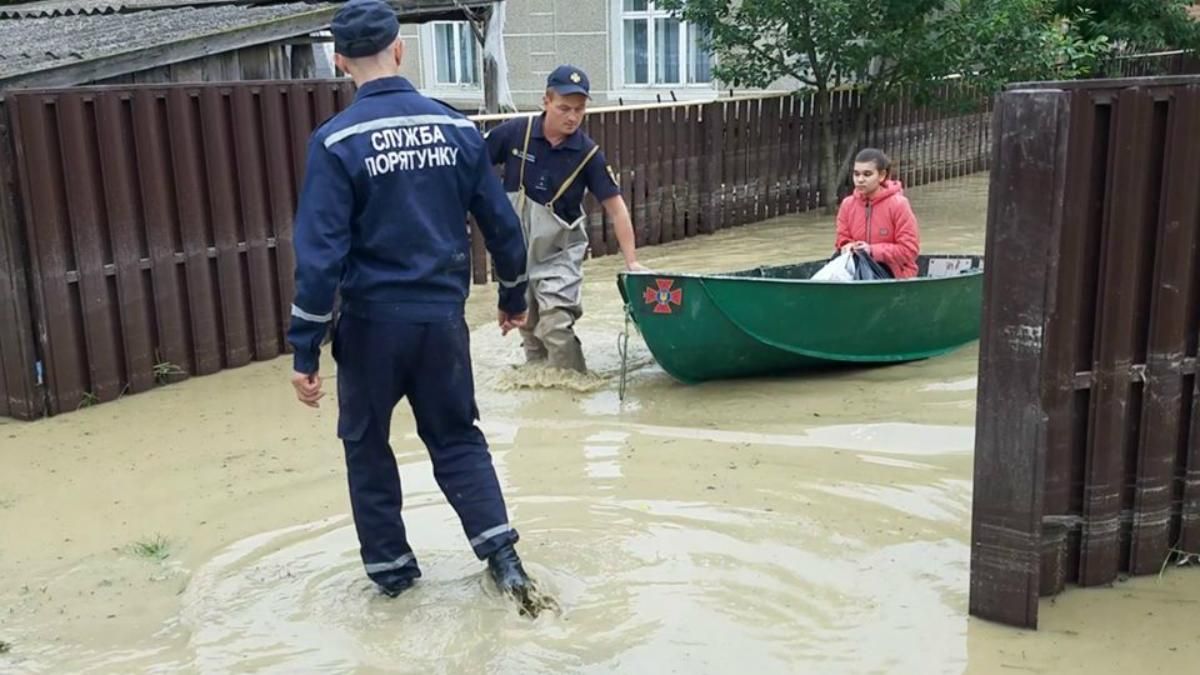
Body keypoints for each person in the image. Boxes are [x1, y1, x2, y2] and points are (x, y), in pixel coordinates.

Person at [286, 0, 534, 605]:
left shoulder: (335, 142)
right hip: (441, 325)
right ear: (400, 50)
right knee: (456, 437)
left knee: (367, 445)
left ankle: (395, 581)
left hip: (372, 329)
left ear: (341, 61)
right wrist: (511, 295)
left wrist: (305, 347)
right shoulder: (455, 129)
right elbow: (503, 225)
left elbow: (319, 256)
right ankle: (505, 562)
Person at [484, 65, 648, 373]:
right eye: (564, 108)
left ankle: (576, 384)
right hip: (518, 251)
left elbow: (616, 208)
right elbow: (471, 163)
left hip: (560, 252)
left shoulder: (588, 154)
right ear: (546, 101)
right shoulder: (514, 133)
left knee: (556, 322)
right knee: (530, 327)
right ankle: (545, 403)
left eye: (579, 109)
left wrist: (632, 261)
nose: (572, 117)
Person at [834, 148, 920, 279]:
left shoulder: (899, 205)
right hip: (856, 269)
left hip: (894, 275)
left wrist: (872, 251)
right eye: (856, 174)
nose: (860, 180)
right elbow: (842, 239)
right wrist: (847, 246)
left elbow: (909, 250)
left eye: (867, 174)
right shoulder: (847, 205)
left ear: (882, 176)